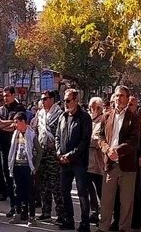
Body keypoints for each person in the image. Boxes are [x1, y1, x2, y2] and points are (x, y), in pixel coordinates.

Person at [97, 86, 141, 232]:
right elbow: (101, 137)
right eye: (116, 96)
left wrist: (118, 150)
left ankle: (124, 228)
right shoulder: (106, 116)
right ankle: (103, 228)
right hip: (110, 164)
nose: (118, 99)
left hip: (127, 165)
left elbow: (134, 140)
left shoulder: (134, 118)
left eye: (121, 96)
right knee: (106, 201)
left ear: (128, 99)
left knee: (126, 202)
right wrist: (107, 149)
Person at [55, 89, 92, 232]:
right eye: (64, 100)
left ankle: (85, 223)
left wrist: (70, 155)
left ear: (76, 100)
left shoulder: (84, 117)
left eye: (68, 100)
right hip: (63, 162)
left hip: (79, 163)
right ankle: (68, 220)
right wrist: (59, 153)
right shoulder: (62, 116)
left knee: (82, 193)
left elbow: (84, 141)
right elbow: (57, 136)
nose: (65, 103)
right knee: (64, 191)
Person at [35, 90, 65, 223]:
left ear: (52, 99)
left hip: (53, 153)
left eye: (45, 99)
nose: (43, 101)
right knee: (43, 184)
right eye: (41, 99)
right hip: (42, 152)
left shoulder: (59, 114)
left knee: (55, 184)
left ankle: (60, 214)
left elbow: (62, 133)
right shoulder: (40, 114)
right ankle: (46, 211)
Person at [8, 112, 42, 227]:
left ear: (22, 121)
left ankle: (32, 217)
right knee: (17, 192)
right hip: (17, 166)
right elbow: (13, 150)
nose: (15, 124)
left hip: (27, 167)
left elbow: (39, 151)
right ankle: (18, 214)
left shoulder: (31, 134)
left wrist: (35, 167)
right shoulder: (15, 134)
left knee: (30, 193)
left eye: (16, 122)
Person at [0, 86, 25, 217]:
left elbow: (16, 127)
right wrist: (8, 124)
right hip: (3, 147)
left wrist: (6, 125)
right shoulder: (1, 109)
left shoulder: (19, 109)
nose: (5, 97)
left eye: (7, 95)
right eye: (4, 95)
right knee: (7, 177)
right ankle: (13, 205)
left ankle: (21, 207)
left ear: (13, 95)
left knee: (17, 179)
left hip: (16, 148)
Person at [87, 97, 105, 225]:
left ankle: (104, 214)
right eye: (90, 107)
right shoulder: (87, 120)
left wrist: (85, 141)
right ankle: (94, 212)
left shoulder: (103, 121)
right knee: (89, 189)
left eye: (93, 107)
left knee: (101, 190)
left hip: (98, 162)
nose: (91, 109)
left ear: (99, 108)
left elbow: (98, 140)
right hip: (87, 162)